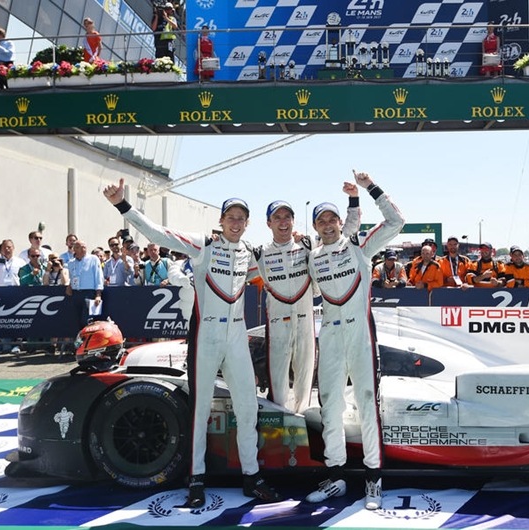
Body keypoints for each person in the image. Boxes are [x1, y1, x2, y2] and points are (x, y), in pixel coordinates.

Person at [103, 178, 281, 507]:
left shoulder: (248, 251)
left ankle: (252, 476)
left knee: (248, 408)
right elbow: (159, 234)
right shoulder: (204, 245)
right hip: (206, 335)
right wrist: (122, 205)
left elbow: (276, 269)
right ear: (221, 220)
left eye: (241, 218)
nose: (236, 222)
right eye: (231, 217)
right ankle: (196, 479)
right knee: (200, 410)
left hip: (237, 336)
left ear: (247, 222)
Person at [305, 170, 404, 511]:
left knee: (366, 403)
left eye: (333, 219)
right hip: (330, 332)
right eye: (322, 221)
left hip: (361, 332)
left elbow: (396, 221)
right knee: (330, 405)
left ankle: (373, 479)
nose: (329, 225)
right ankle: (335, 477)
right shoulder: (312, 257)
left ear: (340, 222)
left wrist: (368, 188)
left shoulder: (360, 247)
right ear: (316, 227)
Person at [253, 188, 359, 414]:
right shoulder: (260, 253)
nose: (283, 222)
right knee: (278, 380)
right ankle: (278, 421)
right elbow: (235, 271)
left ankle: (302, 420)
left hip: (305, 321)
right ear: (268, 223)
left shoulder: (308, 246)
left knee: (305, 377)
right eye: (277, 218)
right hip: (277, 323)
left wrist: (353, 201)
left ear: (294, 221)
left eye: (287, 217)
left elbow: (344, 234)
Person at [65, 239, 104, 333]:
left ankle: (88, 341)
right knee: (76, 320)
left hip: (88, 293)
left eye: (84, 247)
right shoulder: (71, 263)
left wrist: (98, 294)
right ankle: (80, 341)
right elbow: (72, 277)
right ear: (74, 249)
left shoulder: (93, 259)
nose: (82, 249)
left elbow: (98, 276)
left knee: (86, 320)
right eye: (79, 247)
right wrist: (69, 286)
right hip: (75, 293)